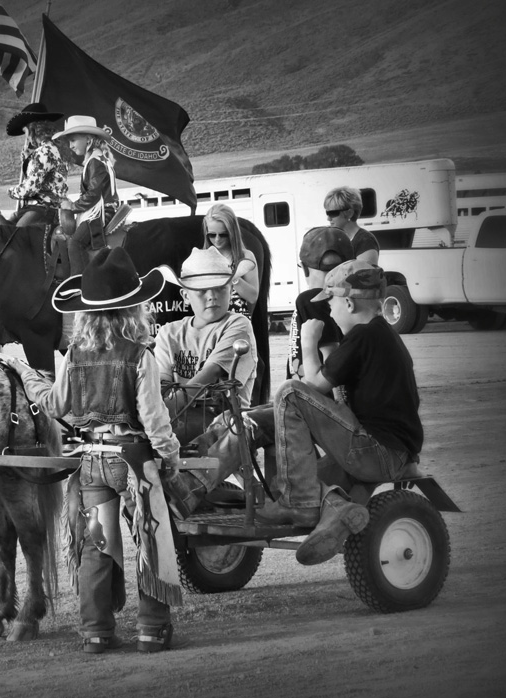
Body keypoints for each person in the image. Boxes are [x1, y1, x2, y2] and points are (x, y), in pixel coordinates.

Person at [3, 247, 193, 654]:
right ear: (134, 309)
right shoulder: (140, 356)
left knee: (96, 545)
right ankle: (152, 630)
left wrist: (25, 373)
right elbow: (155, 420)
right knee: (151, 541)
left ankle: (95, 631)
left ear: (86, 312)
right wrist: (171, 458)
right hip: (133, 460)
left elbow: (55, 405)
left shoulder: (75, 354)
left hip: (90, 462)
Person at [257, 260, 423, 566]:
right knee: (303, 480)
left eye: (331, 303)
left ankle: (301, 501)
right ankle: (336, 516)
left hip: (374, 450)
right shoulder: (383, 336)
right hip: (392, 452)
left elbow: (313, 385)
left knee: (290, 392)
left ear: (348, 302)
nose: (329, 311)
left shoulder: (364, 336)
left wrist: (309, 342)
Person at [155, 246, 257, 445]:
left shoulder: (237, 324)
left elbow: (211, 373)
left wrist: (159, 413)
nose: (212, 296)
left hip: (225, 429)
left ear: (231, 289)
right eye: (202, 290)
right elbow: (161, 382)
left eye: (220, 288)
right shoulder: (169, 332)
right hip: (176, 424)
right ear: (185, 296)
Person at [53, 115, 119, 276]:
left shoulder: (95, 162)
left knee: (75, 243)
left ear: (88, 140)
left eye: (73, 140)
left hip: (102, 212)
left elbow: (93, 195)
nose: (71, 146)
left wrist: (72, 206)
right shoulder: (96, 159)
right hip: (101, 208)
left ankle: (79, 285)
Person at [286, 226, 355, 379]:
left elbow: (331, 357)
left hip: (319, 395)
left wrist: (339, 400)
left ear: (304, 268)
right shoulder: (351, 299)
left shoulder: (311, 299)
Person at [4, 102, 68, 227]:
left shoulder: (43, 151)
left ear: (33, 129)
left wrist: (10, 191)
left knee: (15, 236)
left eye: (26, 132)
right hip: (54, 206)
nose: (26, 137)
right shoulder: (53, 148)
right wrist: (29, 160)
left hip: (45, 208)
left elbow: (30, 188)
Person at [201, 203, 259, 317]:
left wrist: (232, 277)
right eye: (212, 235)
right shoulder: (203, 257)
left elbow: (253, 297)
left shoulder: (245, 256)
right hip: (211, 323)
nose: (217, 239)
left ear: (232, 232)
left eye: (223, 235)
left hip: (238, 323)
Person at [324, 186, 380, 265]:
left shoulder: (366, 241)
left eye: (332, 213)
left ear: (349, 213)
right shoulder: (336, 239)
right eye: (327, 213)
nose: (328, 218)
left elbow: (365, 274)